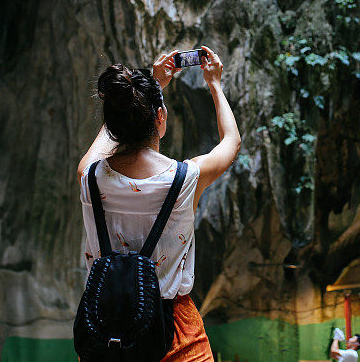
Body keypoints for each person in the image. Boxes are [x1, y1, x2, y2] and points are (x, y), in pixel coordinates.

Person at [76, 46, 241, 361]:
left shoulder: (90, 178)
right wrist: (215, 84)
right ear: (161, 118)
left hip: (107, 331)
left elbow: (100, 149)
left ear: (111, 126)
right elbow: (231, 141)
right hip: (176, 332)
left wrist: (153, 83)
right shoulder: (186, 178)